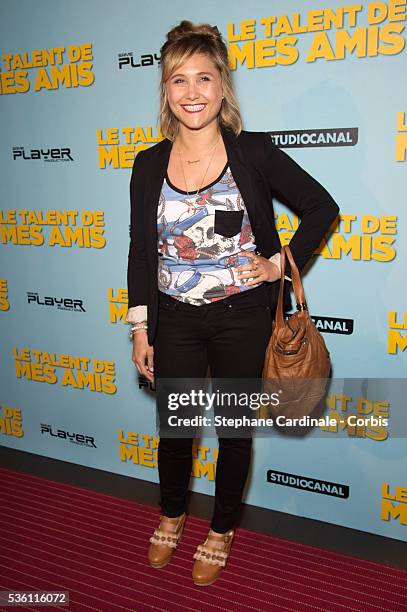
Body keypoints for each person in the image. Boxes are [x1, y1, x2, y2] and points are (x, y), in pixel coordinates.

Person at [125, 20, 339, 586]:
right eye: (179, 80)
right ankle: (171, 517)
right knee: (177, 430)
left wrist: (280, 263)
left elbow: (321, 207)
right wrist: (140, 328)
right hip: (174, 320)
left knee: (233, 432)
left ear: (223, 85)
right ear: (166, 91)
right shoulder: (148, 164)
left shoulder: (253, 153)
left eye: (204, 77)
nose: (192, 92)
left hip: (244, 317)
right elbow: (141, 254)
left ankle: (220, 530)